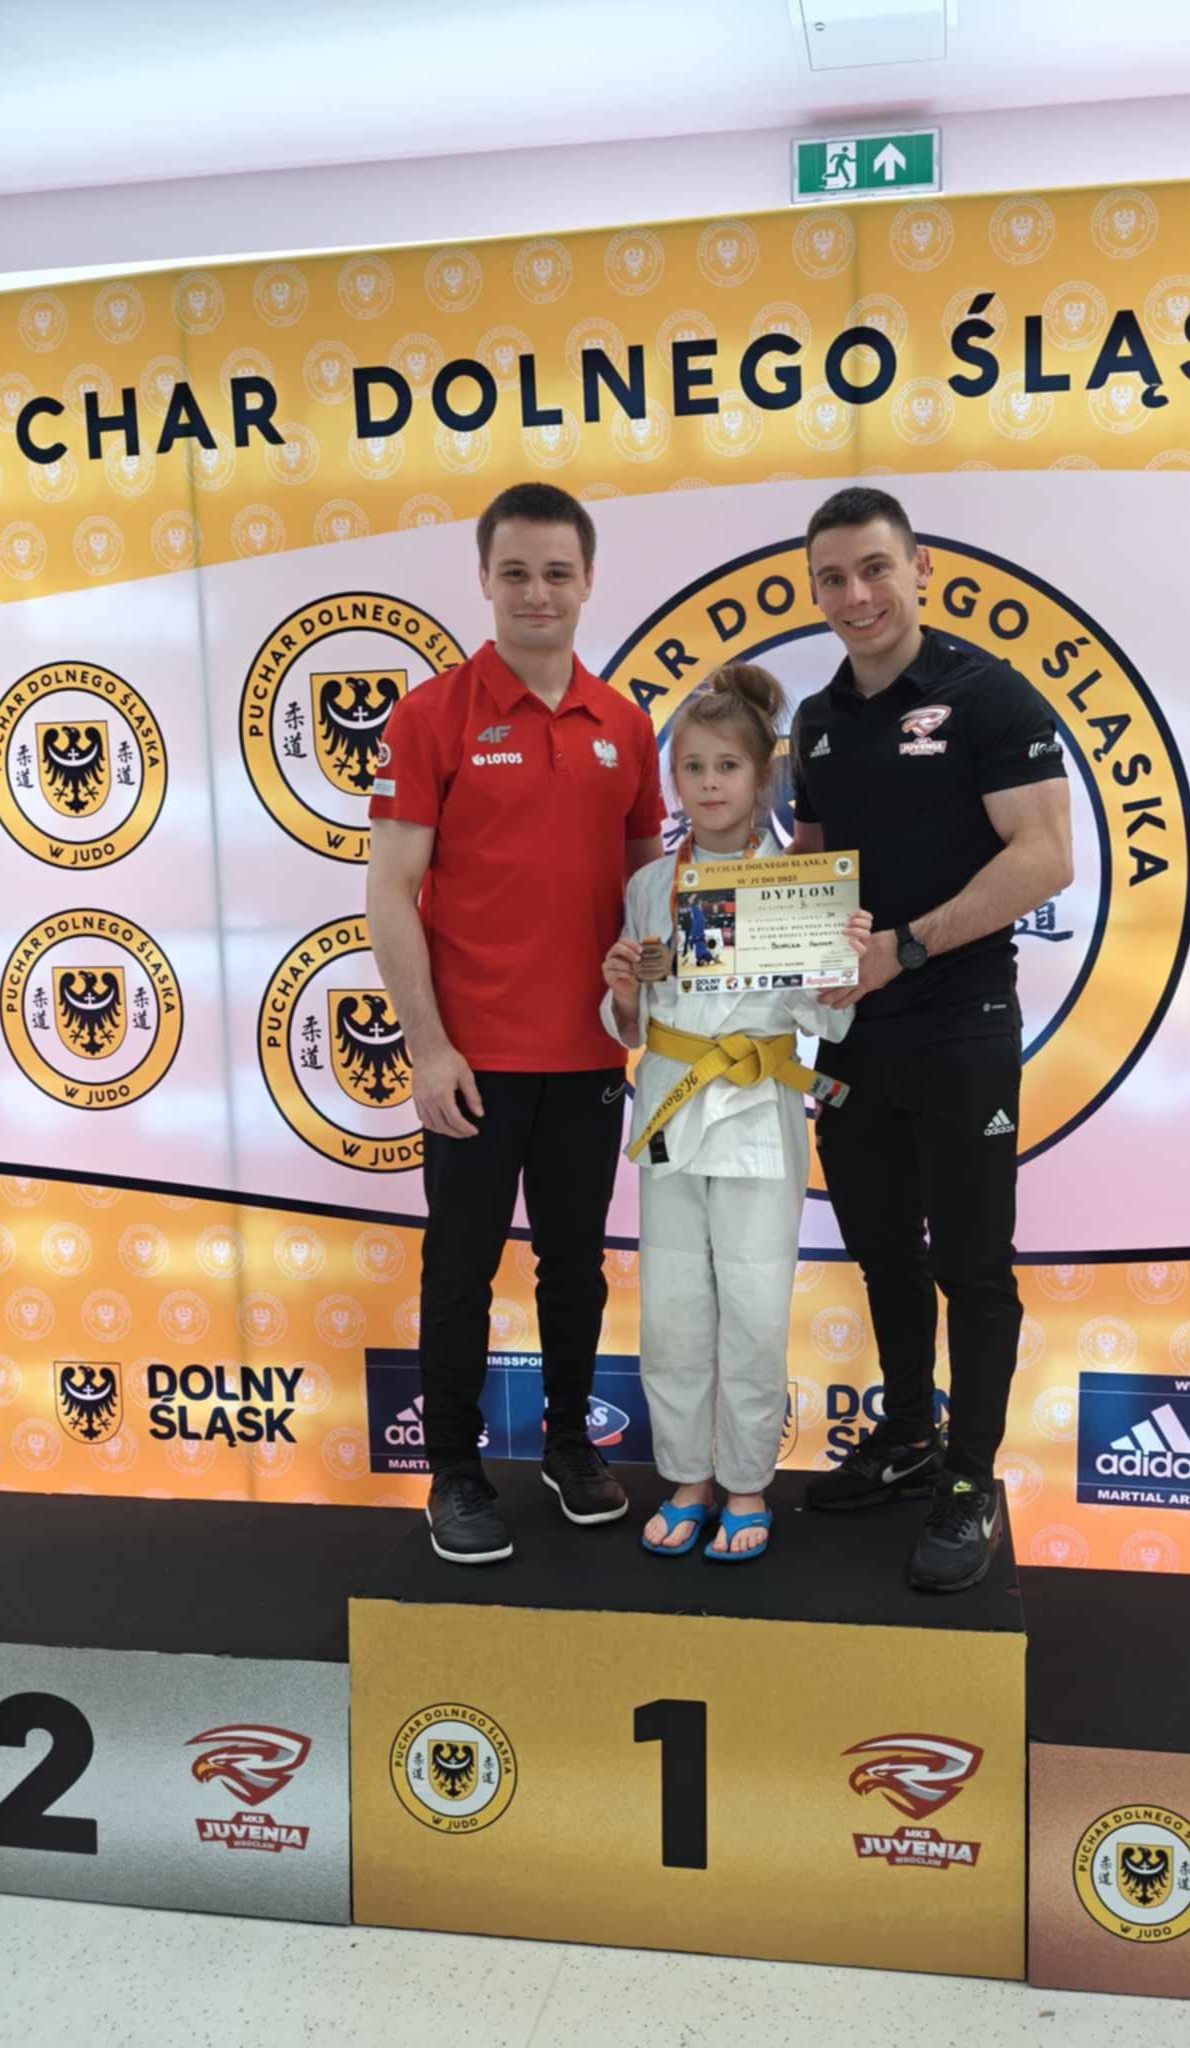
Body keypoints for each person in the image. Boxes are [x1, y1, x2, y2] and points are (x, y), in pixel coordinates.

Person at [367, 481, 664, 1564]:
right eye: (517, 572)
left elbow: (648, 893)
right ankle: (454, 1470)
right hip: (473, 1062)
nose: (538, 592)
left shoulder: (626, 724)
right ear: (486, 579)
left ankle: (569, 1446)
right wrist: (427, 1046)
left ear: (588, 581)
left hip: (589, 1056)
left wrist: (653, 1001)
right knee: (459, 1273)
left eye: (557, 573)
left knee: (575, 1269)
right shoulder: (430, 715)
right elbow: (389, 889)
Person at [789, 486, 1073, 1593]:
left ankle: (969, 1478)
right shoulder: (816, 721)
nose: (855, 595)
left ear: (918, 569)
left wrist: (905, 948)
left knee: (971, 1264)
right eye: (832, 578)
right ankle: (908, 1432)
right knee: (882, 1252)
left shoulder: (987, 694)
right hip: (853, 1037)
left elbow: (1045, 855)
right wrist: (731, 938)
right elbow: (813, 875)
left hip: (960, 1023)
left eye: (874, 568)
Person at [600, 665, 868, 1561]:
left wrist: (842, 967)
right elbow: (629, 1024)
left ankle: (747, 1483)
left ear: (762, 779)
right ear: (673, 780)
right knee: (673, 1310)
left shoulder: (799, 885)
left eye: (728, 767)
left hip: (759, 1107)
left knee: (754, 1304)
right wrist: (624, 991)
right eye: (693, 768)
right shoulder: (650, 886)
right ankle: (687, 1479)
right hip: (670, 1110)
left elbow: (827, 1020)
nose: (710, 784)